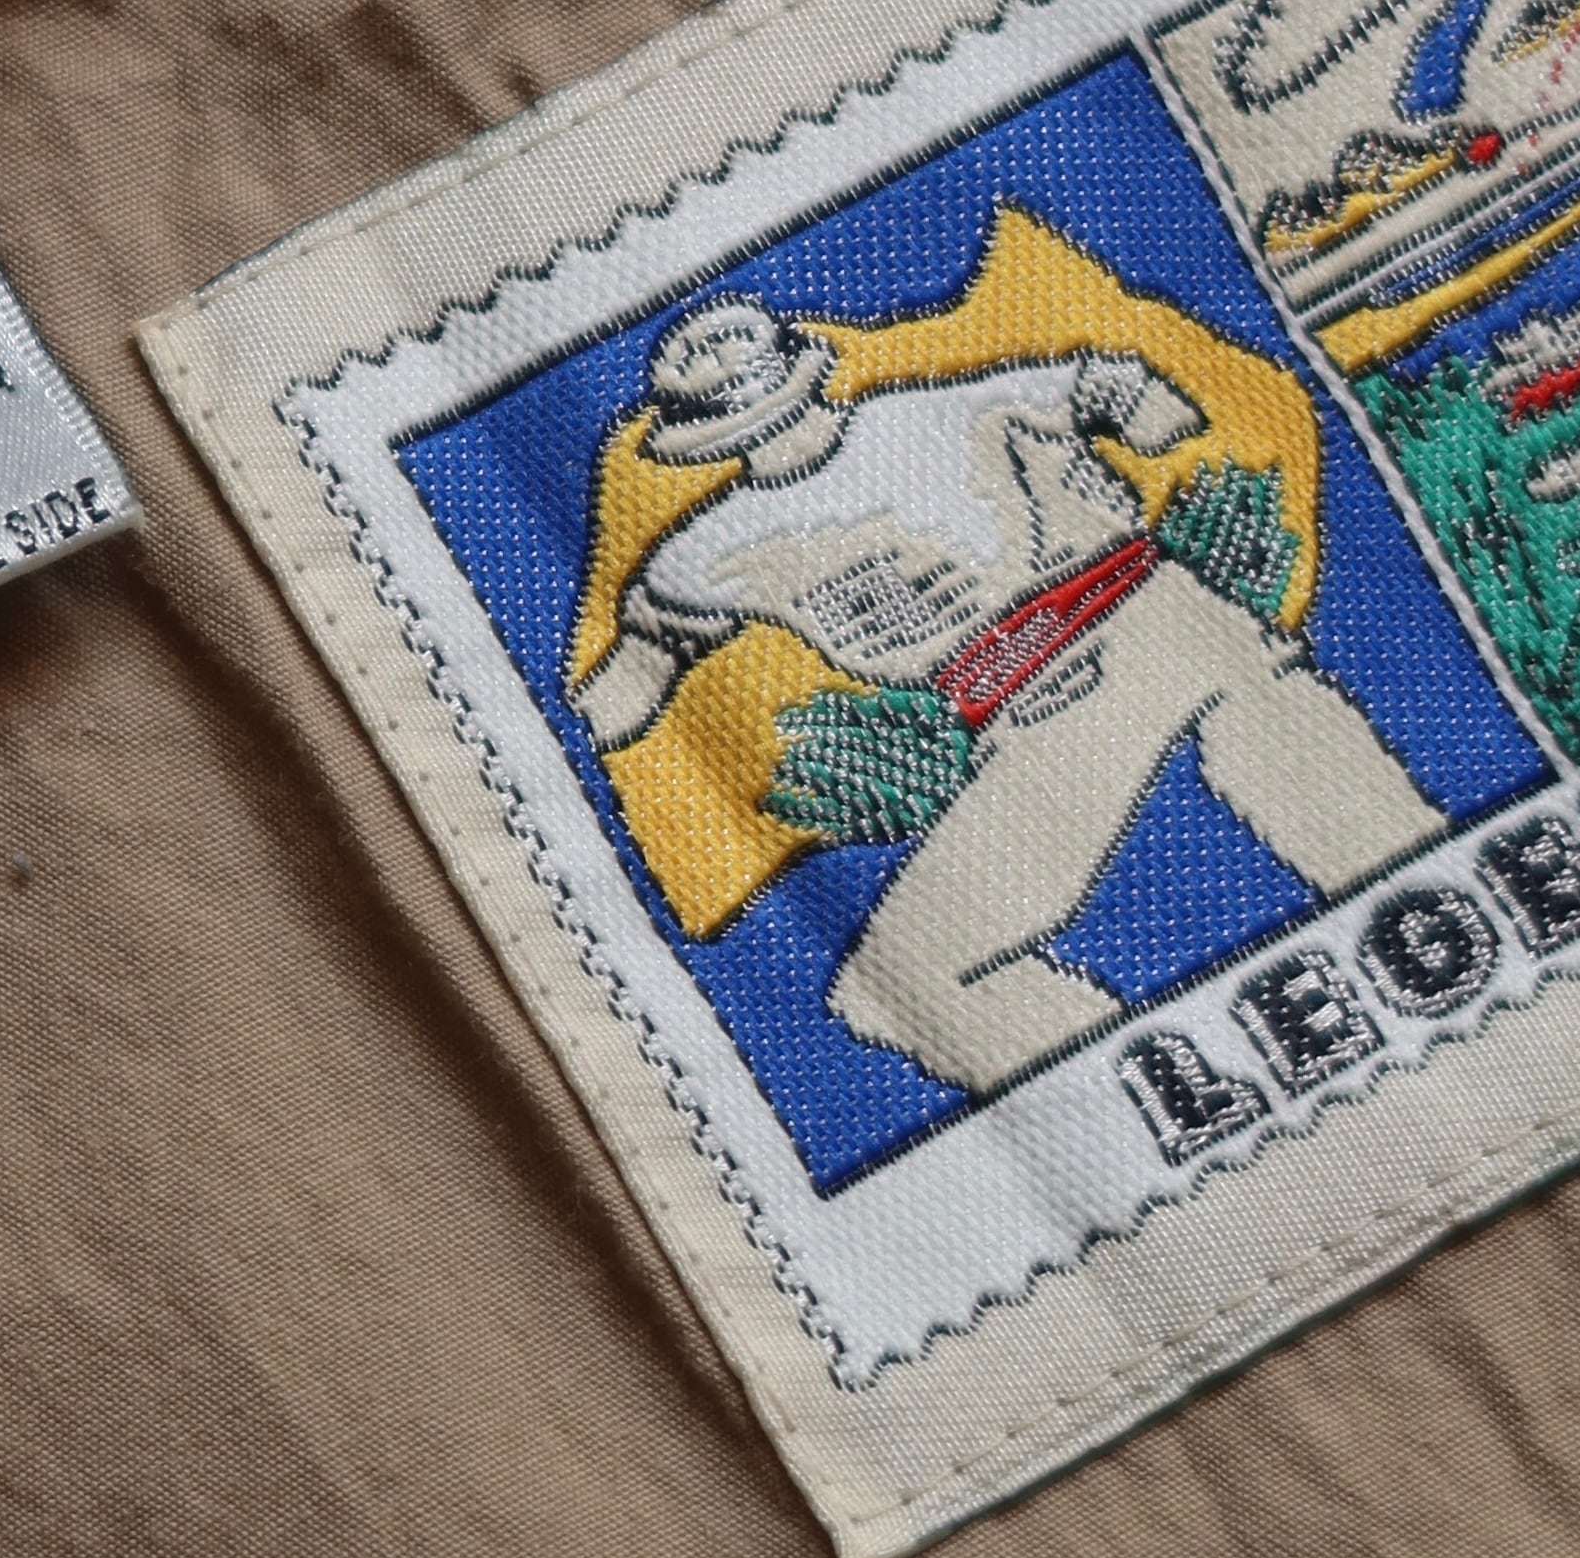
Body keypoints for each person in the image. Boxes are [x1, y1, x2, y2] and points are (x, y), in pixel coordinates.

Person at [578, 292, 1445, 1089]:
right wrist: (1144, 433)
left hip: (1134, 634)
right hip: (1055, 702)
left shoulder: (790, 497)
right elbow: (1129, 394)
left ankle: (1149, 1097)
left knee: (903, 983)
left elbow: (625, 691)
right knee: (897, 982)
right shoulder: (728, 536)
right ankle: (1143, 1092)